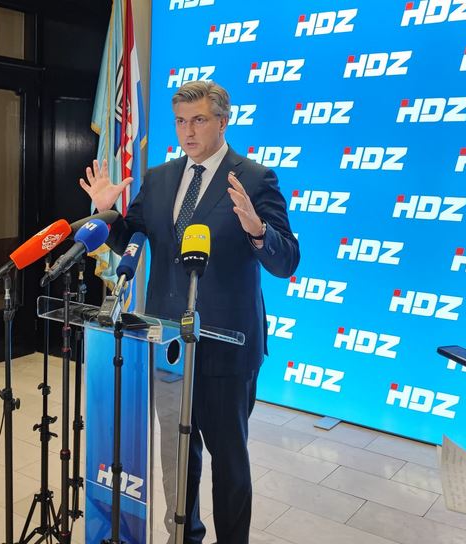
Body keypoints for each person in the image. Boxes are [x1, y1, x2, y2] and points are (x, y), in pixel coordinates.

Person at [80, 80, 300, 543]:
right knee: (178, 458)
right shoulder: (160, 178)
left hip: (226, 348)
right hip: (168, 346)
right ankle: (184, 537)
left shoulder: (255, 179)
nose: (188, 131)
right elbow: (132, 239)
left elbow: (287, 262)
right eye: (181, 121)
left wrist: (258, 231)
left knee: (229, 462)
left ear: (223, 121)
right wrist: (107, 212)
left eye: (199, 120)